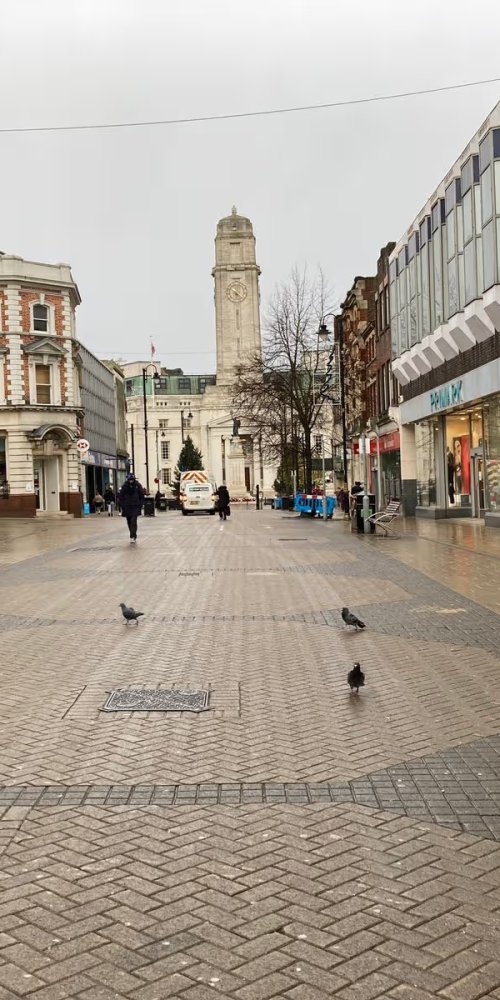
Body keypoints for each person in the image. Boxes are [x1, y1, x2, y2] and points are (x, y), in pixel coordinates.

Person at [118, 473, 145, 543]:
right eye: (130, 479)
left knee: (133, 520)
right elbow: (121, 496)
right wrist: (122, 505)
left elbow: (141, 495)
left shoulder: (138, 486)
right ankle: (132, 534)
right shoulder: (124, 486)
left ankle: (133, 536)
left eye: (132, 479)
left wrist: (140, 504)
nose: (131, 481)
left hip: (135, 506)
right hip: (127, 507)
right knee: (129, 521)